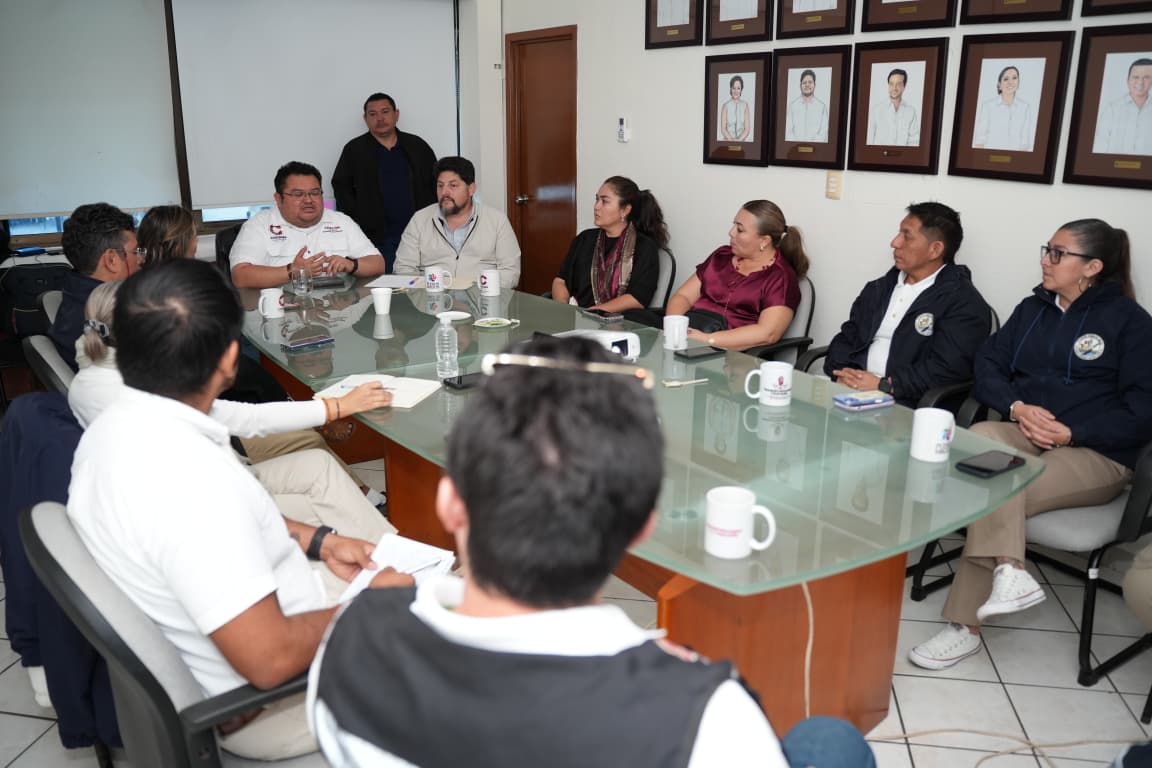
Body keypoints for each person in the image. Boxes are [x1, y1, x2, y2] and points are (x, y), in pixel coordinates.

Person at [309, 335, 875, 768]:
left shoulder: (349, 641)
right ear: (641, 529)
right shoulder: (705, 716)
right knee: (830, 742)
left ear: (450, 502)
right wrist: (665, 673)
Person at [67, 259, 414, 760]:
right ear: (230, 355)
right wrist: (368, 607)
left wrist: (319, 541)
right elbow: (269, 660)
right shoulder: (198, 484)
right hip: (277, 699)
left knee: (411, 581)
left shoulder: (114, 427)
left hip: (263, 626)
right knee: (461, 635)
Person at [909, 219, 1152, 670]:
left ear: (1093, 267)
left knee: (997, 486)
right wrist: (1017, 407)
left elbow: (1143, 412)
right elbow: (987, 365)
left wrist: (1072, 432)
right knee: (978, 441)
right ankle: (1011, 571)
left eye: (1059, 254)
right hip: (1026, 431)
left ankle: (964, 627)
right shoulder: (1033, 309)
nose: (1045, 260)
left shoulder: (1131, 324)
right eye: (1047, 249)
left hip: (1095, 452)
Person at [68, 280, 394, 544]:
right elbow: (246, 419)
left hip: (204, 478)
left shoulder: (95, 377)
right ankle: (382, 561)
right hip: (202, 503)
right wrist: (337, 407)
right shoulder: (140, 393)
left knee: (318, 463)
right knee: (330, 508)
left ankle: (390, 552)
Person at [824, 202, 991, 407]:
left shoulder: (964, 303)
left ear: (935, 249)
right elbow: (846, 338)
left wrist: (884, 385)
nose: (894, 242)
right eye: (898, 233)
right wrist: (842, 374)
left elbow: (947, 369)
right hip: (852, 391)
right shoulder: (878, 289)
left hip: (907, 402)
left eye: (907, 236)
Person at [665, 200, 809, 350]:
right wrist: (675, 326)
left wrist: (707, 339)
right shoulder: (721, 256)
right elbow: (683, 296)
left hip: (730, 354)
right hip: (688, 337)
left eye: (740, 229)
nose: (731, 232)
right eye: (734, 225)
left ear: (764, 241)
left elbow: (767, 333)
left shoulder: (780, 278)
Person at [230, 161, 386, 289]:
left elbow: (378, 264)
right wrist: (293, 271)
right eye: (298, 194)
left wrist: (351, 265)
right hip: (282, 309)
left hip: (338, 309)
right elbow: (240, 276)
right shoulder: (258, 226)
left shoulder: (342, 221)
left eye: (315, 193)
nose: (308, 200)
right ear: (278, 198)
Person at [332, 93, 438, 271]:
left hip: (419, 235)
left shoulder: (417, 146)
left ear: (396, 114)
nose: (380, 118)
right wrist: (360, 222)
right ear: (365, 119)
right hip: (376, 239)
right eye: (373, 114)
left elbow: (436, 184)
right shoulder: (355, 150)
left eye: (385, 112)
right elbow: (342, 189)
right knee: (383, 284)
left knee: (421, 282)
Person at [394, 156, 521, 288]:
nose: (444, 192)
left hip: (481, 297)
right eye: (440, 185)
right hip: (432, 296)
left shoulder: (497, 221)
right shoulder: (420, 220)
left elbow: (510, 272)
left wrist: (479, 291)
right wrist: (429, 291)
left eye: (453, 185)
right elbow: (403, 268)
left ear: (471, 189)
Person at [551, 176, 669, 312]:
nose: (596, 207)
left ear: (625, 210)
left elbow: (637, 299)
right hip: (575, 315)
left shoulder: (644, 247)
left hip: (617, 320)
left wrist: (592, 312)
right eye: (597, 199)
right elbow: (560, 281)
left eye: (604, 201)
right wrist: (563, 309)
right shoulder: (584, 239)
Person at [50, 202, 143, 369]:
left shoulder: (75, 295)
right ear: (111, 259)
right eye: (135, 252)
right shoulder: (109, 320)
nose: (141, 259)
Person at [1093, 58, 1152, 156]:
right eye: (1136, 77)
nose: (1140, 82)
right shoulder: (1112, 109)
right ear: (1128, 80)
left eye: (1146, 77)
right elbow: (1100, 146)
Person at [973, 65, 1036, 152]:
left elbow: (1025, 142)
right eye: (1006, 79)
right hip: (990, 156)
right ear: (999, 85)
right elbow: (980, 139)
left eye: (1014, 78)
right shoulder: (988, 106)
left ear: (1018, 82)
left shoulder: (1025, 107)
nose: (1010, 82)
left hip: (1016, 158)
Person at [867, 68, 920, 147]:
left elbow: (914, 141)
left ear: (904, 86)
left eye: (898, 84)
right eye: (891, 84)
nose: (894, 88)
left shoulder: (911, 111)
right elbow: (869, 140)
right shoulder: (876, 110)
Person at [785, 69, 829, 143]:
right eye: (804, 82)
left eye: (810, 82)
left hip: (816, 148)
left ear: (814, 85)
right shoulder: (792, 106)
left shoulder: (822, 107)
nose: (807, 85)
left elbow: (823, 133)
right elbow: (788, 132)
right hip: (795, 147)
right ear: (800, 86)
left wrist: (812, 145)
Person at [720, 75, 752, 142]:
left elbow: (747, 129)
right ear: (730, 89)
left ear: (741, 90)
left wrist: (738, 141)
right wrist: (732, 141)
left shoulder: (745, 105)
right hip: (727, 142)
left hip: (742, 142)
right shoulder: (725, 106)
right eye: (733, 88)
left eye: (738, 88)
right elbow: (723, 129)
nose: (736, 91)